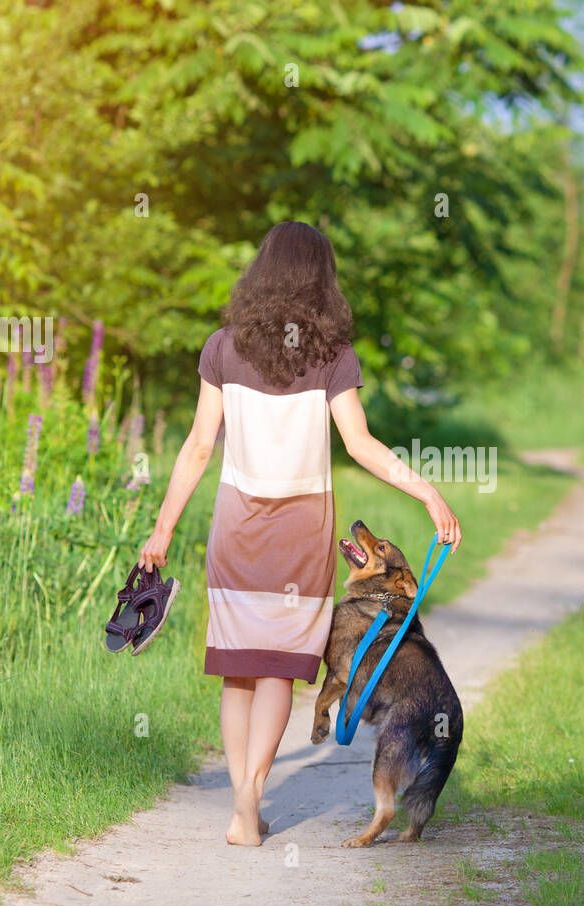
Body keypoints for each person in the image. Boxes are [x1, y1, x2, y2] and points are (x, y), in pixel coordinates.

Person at [137, 220, 461, 846]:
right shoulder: (333, 356)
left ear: (260, 271)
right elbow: (361, 444)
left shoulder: (222, 347)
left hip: (236, 526)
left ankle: (243, 804)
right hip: (301, 532)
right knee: (279, 672)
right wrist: (427, 490)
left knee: (238, 670)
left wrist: (161, 530)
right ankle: (252, 796)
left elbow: (199, 446)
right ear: (321, 280)